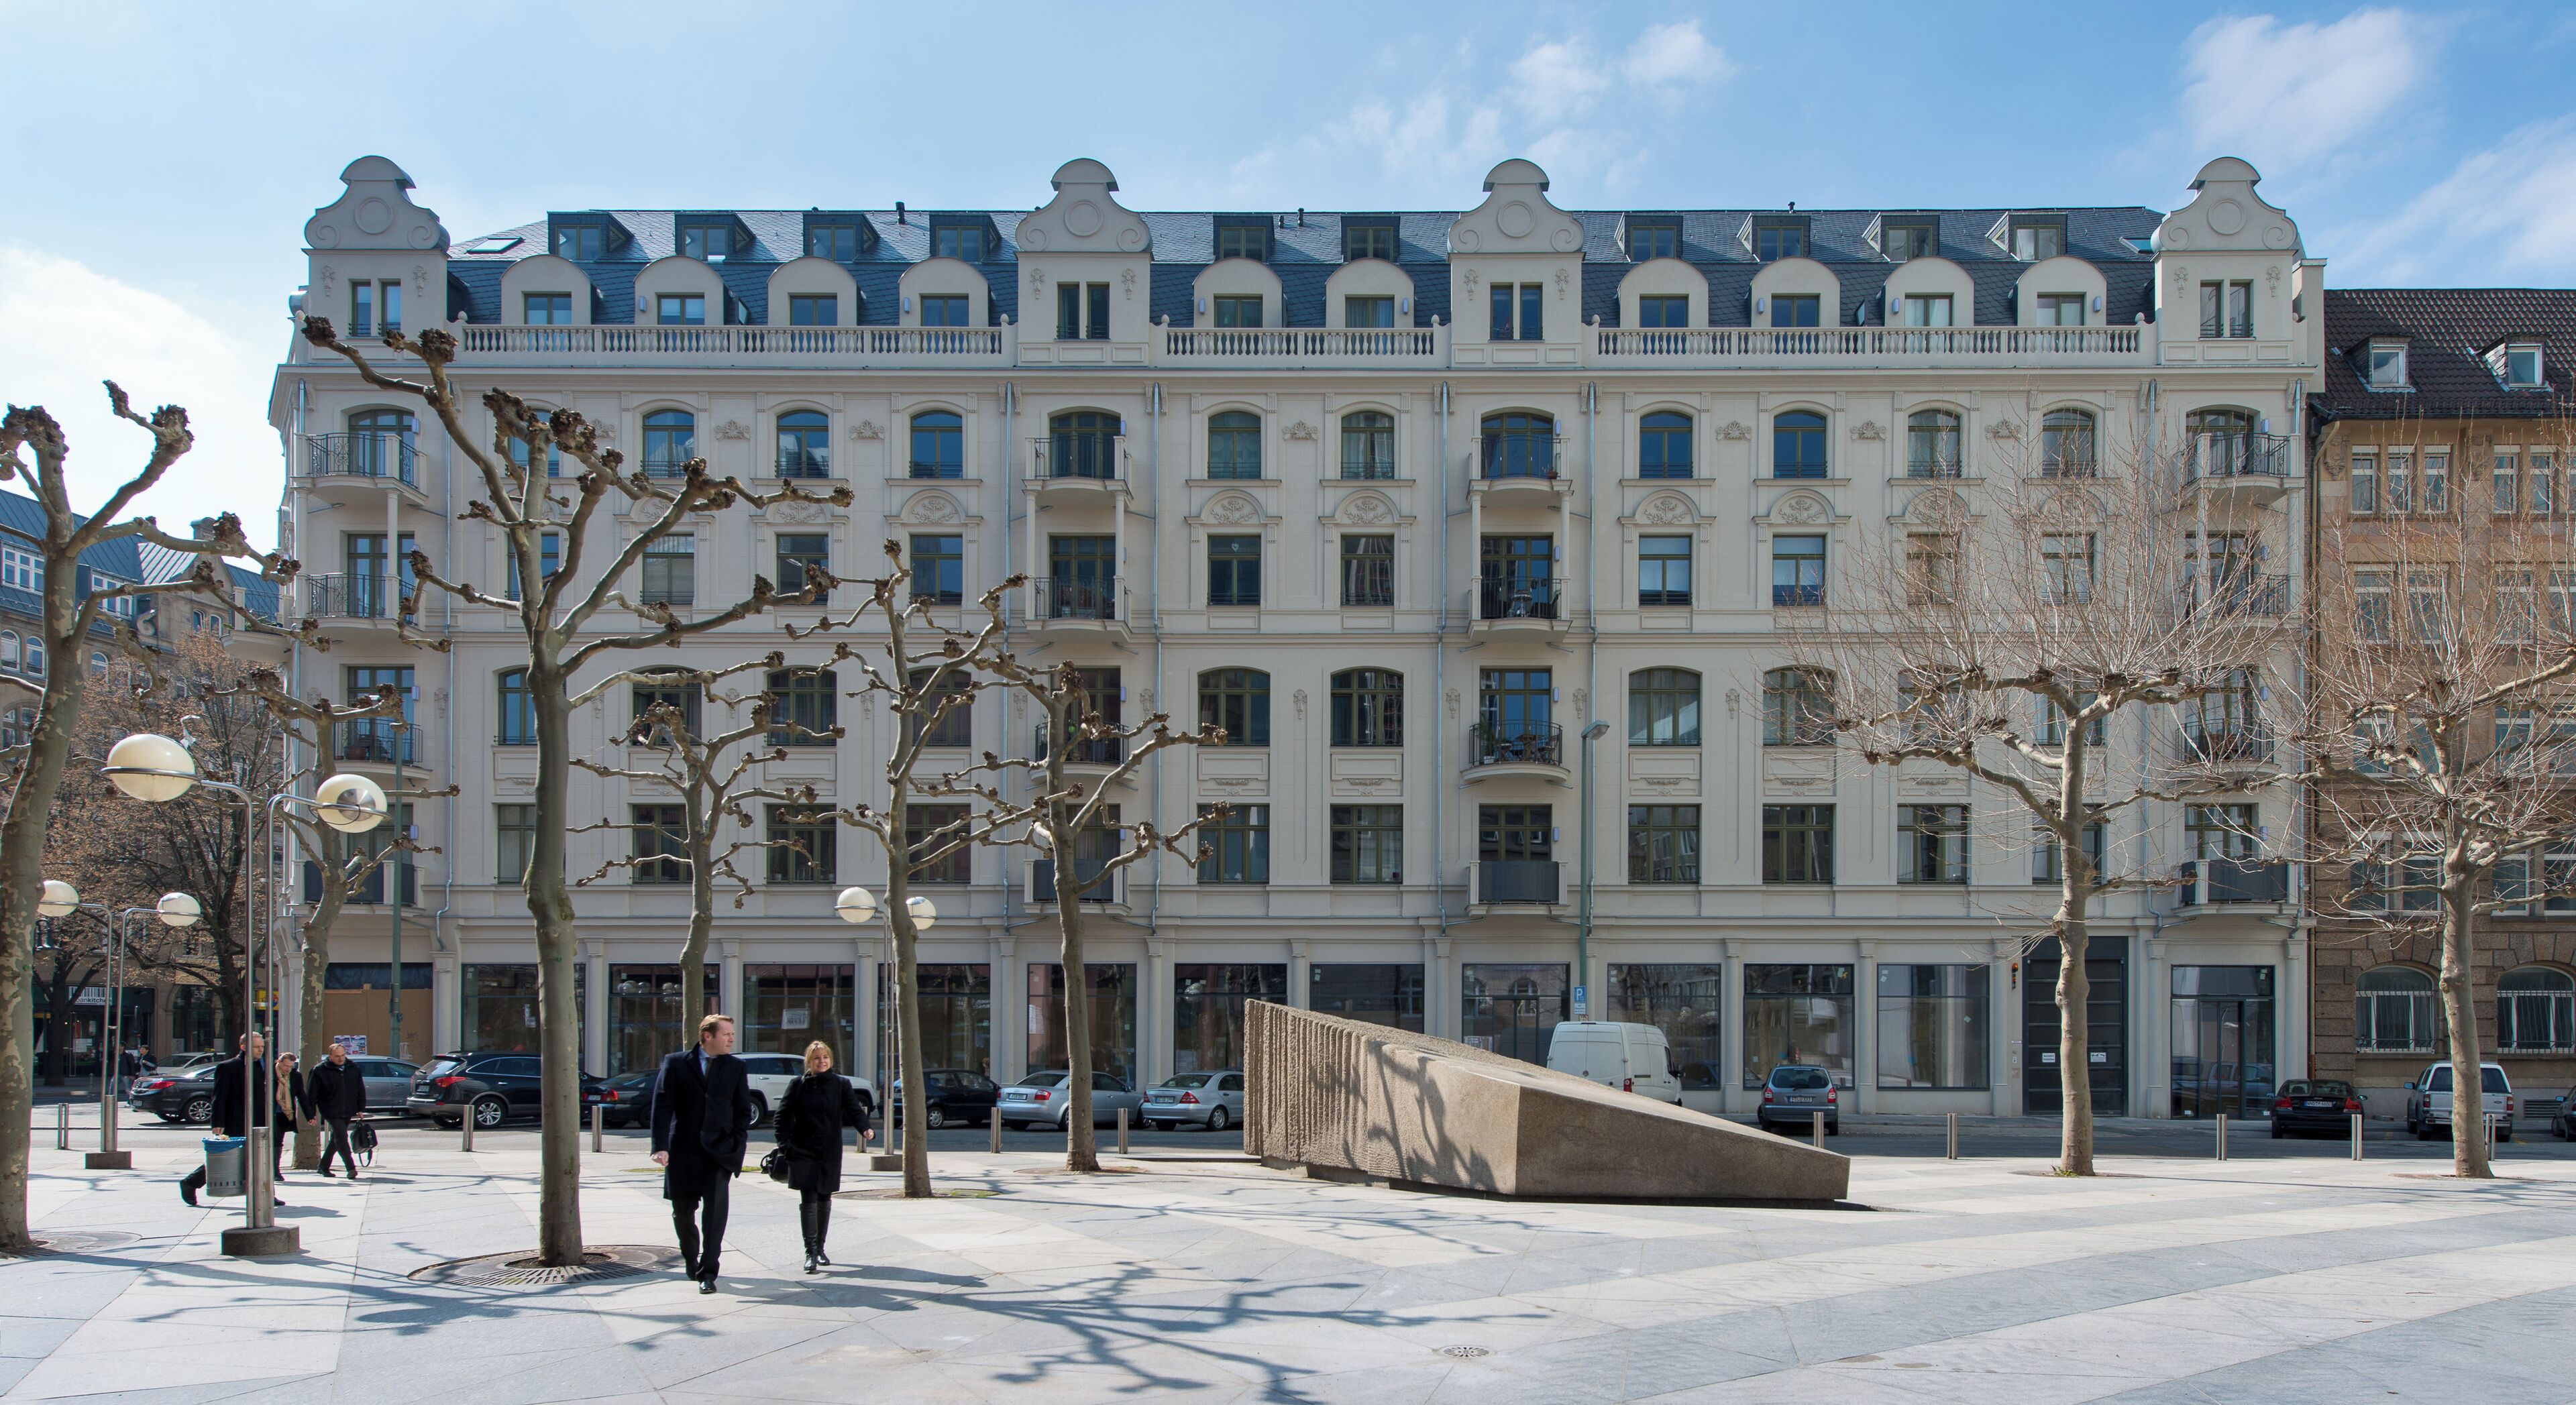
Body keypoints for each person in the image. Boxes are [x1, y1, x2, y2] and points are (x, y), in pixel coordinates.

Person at [650, 1013, 755, 1294]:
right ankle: (690, 1258)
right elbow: (662, 1105)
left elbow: (743, 1111)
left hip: (720, 1152)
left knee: (715, 1213)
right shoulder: (675, 1062)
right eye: (726, 1034)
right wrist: (659, 1146)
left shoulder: (736, 1067)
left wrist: (736, 1143)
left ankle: (709, 1270)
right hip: (682, 1150)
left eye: (732, 1033)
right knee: (682, 1212)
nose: (732, 1038)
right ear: (707, 1036)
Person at [773, 1041, 874, 1274]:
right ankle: (810, 1252)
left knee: (824, 1198)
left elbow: (854, 1110)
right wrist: (786, 1146)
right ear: (809, 1062)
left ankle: (820, 1248)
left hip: (829, 1150)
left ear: (831, 1060)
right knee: (808, 1198)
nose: (822, 1062)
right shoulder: (797, 1085)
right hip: (802, 1150)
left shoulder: (841, 1084)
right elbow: (782, 1117)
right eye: (817, 1058)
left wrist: (865, 1128)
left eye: (825, 1057)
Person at [179, 1033, 279, 1208]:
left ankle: (266, 1194)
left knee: (262, 1157)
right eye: (256, 1047)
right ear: (244, 1047)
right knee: (228, 1158)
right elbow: (219, 1096)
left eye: (262, 1047)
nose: (260, 1050)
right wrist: (218, 1122)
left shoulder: (262, 1067)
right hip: (236, 1120)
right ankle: (191, 1182)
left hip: (260, 1120)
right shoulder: (228, 1067)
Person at [308, 1041, 368, 1179]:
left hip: (348, 1108)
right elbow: (312, 1094)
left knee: (337, 1138)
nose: (341, 1059)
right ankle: (350, 1167)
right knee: (342, 1136)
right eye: (337, 1056)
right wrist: (311, 1114)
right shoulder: (319, 1070)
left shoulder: (353, 1067)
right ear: (329, 1057)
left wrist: (360, 1108)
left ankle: (323, 1167)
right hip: (330, 1110)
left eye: (343, 1055)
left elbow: (360, 1089)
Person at [270, 1052, 311, 1180]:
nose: (287, 1069)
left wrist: (310, 1116)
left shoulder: (295, 1076)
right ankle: (272, 1170)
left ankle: (275, 1170)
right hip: (269, 1113)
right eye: (285, 1066)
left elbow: (301, 1096)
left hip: (284, 1112)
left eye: (291, 1067)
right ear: (279, 1062)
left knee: (278, 1141)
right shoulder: (270, 1073)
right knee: (272, 1140)